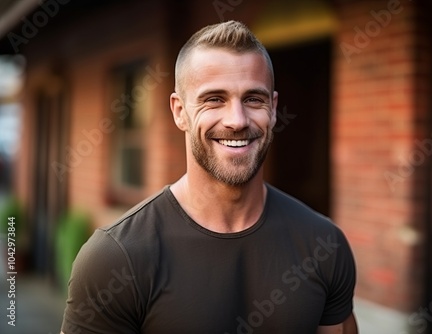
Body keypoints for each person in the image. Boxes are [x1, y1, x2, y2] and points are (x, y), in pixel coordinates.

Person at [61, 20, 358, 334]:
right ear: (179, 111)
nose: (237, 120)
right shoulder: (116, 257)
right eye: (214, 99)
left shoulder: (325, 243)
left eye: (253, 99)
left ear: (273, 108)